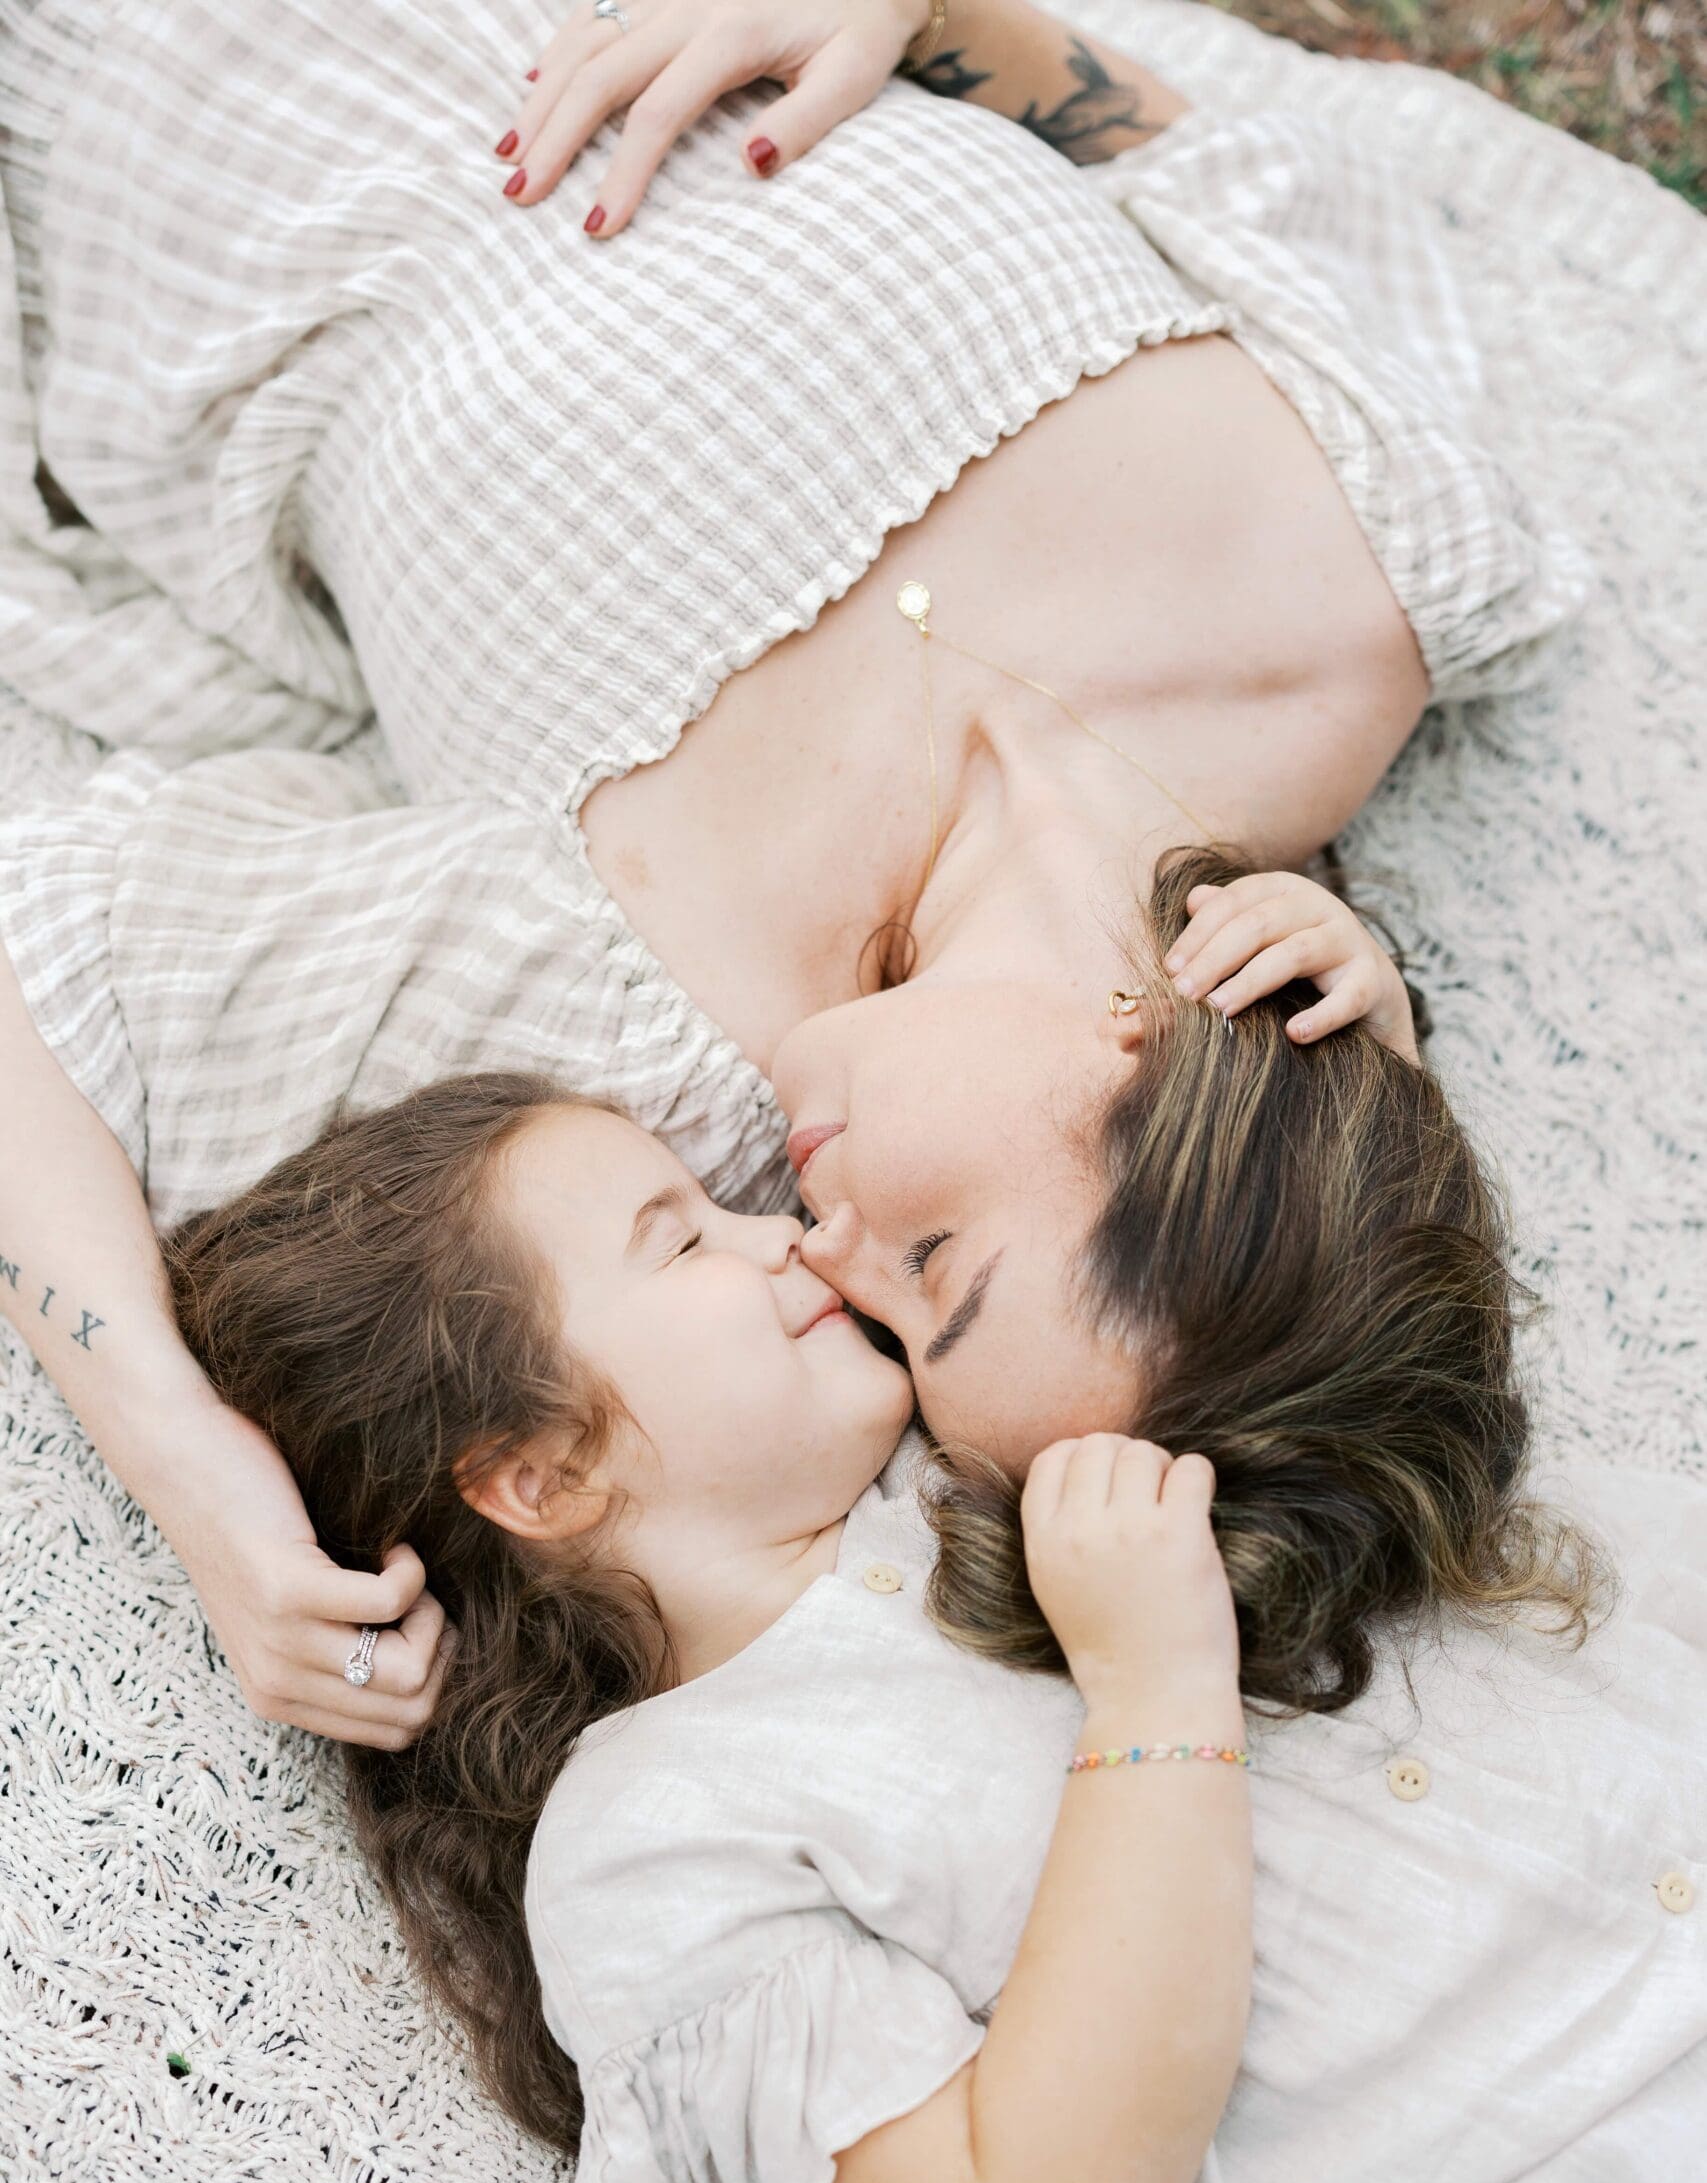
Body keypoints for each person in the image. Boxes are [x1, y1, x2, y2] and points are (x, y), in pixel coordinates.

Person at [0, 0, 1587, 1745]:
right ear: (1159, 1060)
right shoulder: (1355, 615)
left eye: (891, 1343)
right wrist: (930, 13)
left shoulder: (654, 1028)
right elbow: (1235, 166)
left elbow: (46, 972)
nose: (834, 1262)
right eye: (940, 1262)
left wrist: (182, 1461)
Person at [156, 866, 1706, 2183]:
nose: (792, 1234)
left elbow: (1282, 1321)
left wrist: (1328, 1046)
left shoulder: (979, 1435)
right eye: (683, 1233)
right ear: (541, 1471)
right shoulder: (656, 1842)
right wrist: (1155, 1695)